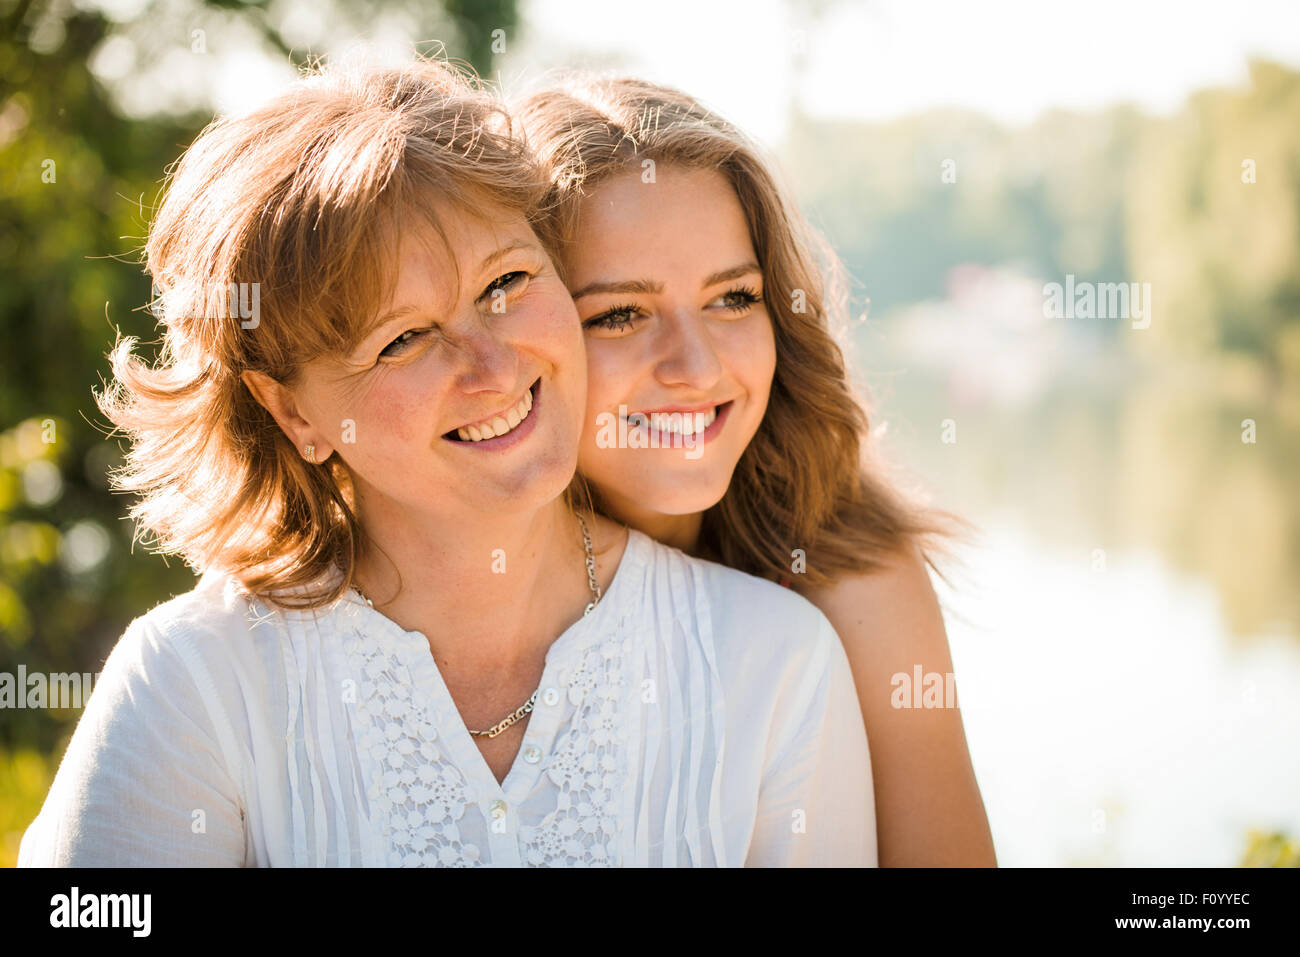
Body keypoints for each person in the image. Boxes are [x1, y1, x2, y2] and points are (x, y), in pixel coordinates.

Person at [16, 57, 874, 868]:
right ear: (293, 410)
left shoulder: (774, 659)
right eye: (404, 339)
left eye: (504, 285)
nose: (493, 367)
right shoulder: (196, 679)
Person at [515, 75, 997, 866]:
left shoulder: (855, 582)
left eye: (732, 299)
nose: (695, 365)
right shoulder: (450, 579)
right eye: (621, 314)